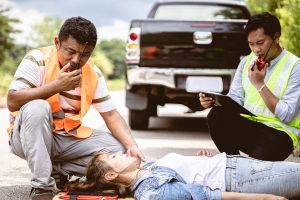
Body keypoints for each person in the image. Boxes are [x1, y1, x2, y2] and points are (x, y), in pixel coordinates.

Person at [6, 16, 145, 200]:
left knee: (118, 150)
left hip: (66, 139)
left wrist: (132, 146)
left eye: (85, 54)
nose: (76, 60)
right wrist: (56, 86)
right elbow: (12, 101)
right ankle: (42, 187)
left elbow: (110, 114)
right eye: (70, 51)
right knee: (37, 108)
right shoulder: (37, 59)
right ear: (57, 42)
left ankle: (56, 169)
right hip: (28, 137)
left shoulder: (93, 73)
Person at [199, 12, 300, 161]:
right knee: (216, 115)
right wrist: (214, 101)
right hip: (251, 129)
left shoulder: (295, 66)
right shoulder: (247, 61)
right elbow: (234, 100)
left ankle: (239, 170)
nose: (256, 50)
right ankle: (233, 164)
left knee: (252, 172)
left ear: (276, 37)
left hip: (279, 136)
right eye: (251, 44)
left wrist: (259, 84)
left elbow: (287, 114)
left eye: (260, 43)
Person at [67, 150, 300, 200]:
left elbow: (189, 176)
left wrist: (199, 160)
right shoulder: (152, 192)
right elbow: (209, 197)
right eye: (114, 157)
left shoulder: (149, 170)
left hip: (236, 166)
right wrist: (266, 199)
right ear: (111, 175)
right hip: (242, 180)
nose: (121, 152)